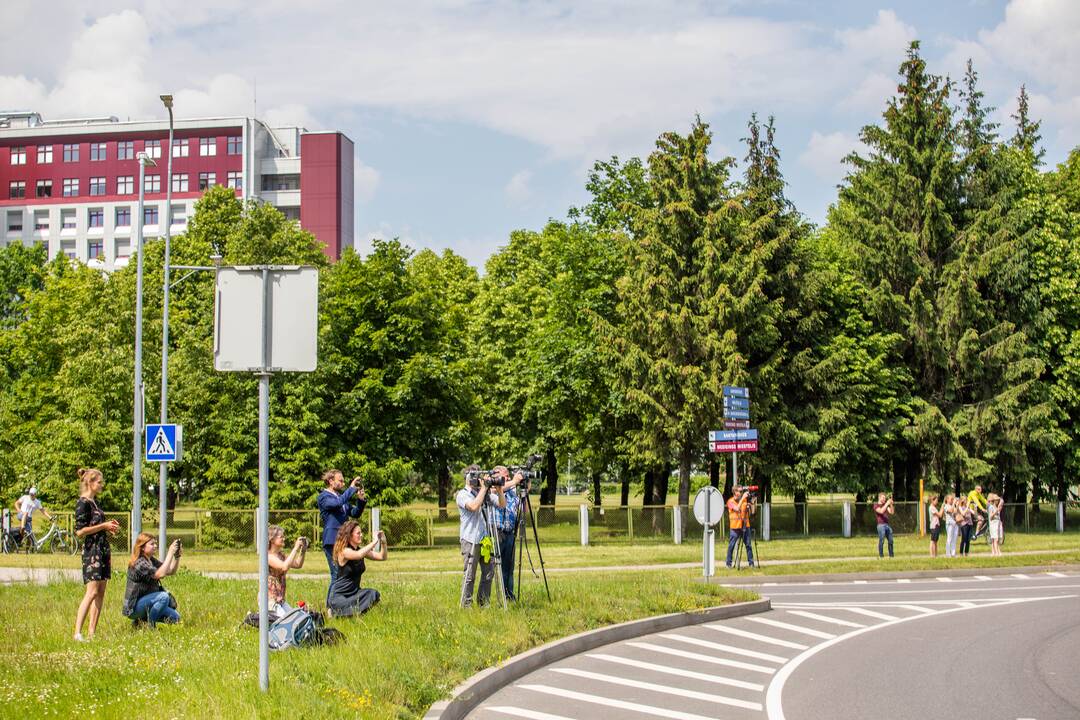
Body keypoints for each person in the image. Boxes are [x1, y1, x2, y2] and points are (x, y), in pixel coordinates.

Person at [73, 468, 120, 641]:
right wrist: (103, 526)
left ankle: (92, 633)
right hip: (92, 551)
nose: (102, 485)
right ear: (90, 483)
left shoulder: (95, 504)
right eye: (99, 482)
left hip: (102, 549)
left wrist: (109, 528)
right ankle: (77, 632)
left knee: (100, 592)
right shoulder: (83, 503)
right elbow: (80, 531)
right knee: (91, 592)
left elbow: (98, 525)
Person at [457, 465, 506, 607]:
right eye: (475, 477)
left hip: (485, 539)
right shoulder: (462, 495)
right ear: (468, 479)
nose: (478, 480)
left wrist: (499, 490)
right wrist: (484, 489)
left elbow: (502, 505)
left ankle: (483, 602)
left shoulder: (483, 493)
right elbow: (473, 506)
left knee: (489, 572)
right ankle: (466, 605)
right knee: (470, 575)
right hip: (469, 539)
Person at [316, 469, 366, 600]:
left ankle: (343, 603)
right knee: (336, 574)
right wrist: (351, 489)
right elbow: (337, 504)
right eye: (341, 480)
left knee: (343, 574)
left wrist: (360, 500)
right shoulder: (324, 497)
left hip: (343, 540)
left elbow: (355, 513)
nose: (343, 483)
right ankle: (331, 607)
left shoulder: (341, 497)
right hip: (332, 540)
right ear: (331, 481)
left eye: (344, 481)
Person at [326, 520, 385, 617]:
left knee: (373, 594)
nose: (361, 535)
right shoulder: (344, 551)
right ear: (350, 536)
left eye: (361, 533)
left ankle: (347, 614)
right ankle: (335, 612)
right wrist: (374, 542)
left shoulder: (359, 550)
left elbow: (382, 557)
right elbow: (359, 554)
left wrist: (383, 542)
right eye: (358, 533)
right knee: (348, 605)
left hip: (354, 594)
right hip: (339, 597)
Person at [122, 533, 182, 627]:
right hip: (134, 608)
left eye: (155, 543)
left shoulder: (151, 560)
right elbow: (159, 574)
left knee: (176, 618)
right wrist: (170, 553)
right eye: (152, 544)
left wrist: (177, 556)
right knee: (163, 597)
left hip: (147, 602)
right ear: (142, 547)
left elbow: (170, 571)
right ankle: (150, 626)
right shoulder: (139, 562)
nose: (155, 546)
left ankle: (140, 621)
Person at [490, 466, 524, 601]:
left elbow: (523, 510)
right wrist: (515, 481)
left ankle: (509, 596)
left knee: (508, 568)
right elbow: (497, 489)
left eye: (509, 476)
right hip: (497, 532)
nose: (509, 478)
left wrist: (525, 489)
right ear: (496, 475)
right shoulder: (491, 487)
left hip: (510, 533)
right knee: (494, 568)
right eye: (506, 476)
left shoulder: (511, 492)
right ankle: (496, 597)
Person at [267, 525, 308, 615]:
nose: (284, 539)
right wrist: (295, 548)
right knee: (286, 621)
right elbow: (284, 567)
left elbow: (298, 564)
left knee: (297, 618)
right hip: (270, 601)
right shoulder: (268, 557)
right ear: (272, 539)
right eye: (281, 537)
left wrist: (303, 551)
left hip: (280, 600)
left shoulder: (281, 555)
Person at [725, 485, 755, 568]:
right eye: (740, 491)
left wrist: (752, 502)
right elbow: (737, 509)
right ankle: (728, 564)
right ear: (735, 492)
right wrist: (743, 499)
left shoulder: (745, 500)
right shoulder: (730, 502)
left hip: (745, 525)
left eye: (742, 491)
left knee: (748, 545)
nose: (742, 493)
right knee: (731, 545)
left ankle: (751, 563)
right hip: (735, 528)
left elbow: (752, 512)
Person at [873, 492, 895, 558]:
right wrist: (887, 504)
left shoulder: (885, 505)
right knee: (882, 540)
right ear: (879, 498)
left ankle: (891, 556)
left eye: (885, 498)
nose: (884, 499)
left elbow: (892, 512)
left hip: (887, 525)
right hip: (880, 525)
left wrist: (891, 504)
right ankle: (881, 556)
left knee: (891, 540)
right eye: (883, 498)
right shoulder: (876, 505)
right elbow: (881, 511)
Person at [943, 493, 959, 558]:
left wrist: (957, 505)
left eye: (952, 499)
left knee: (954, 539)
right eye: (951, 499)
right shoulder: (946, 506)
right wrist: (953, 504)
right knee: (949, 539)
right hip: (949, 524)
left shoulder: (952, 505)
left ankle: (953, 553)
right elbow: (951, 510)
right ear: (947, 500)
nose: (952, 500)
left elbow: (955, 512)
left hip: (954, 524)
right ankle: (948, 554)